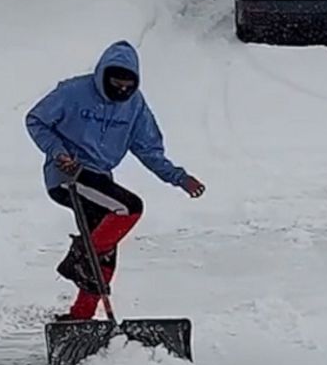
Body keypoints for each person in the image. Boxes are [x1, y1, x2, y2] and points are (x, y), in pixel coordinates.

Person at [25, 40, 205, 322]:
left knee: (106, 251)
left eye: (127, 86)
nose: (121, 90)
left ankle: (81, 316)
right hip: (68, 174)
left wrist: (179, 178)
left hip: (99, 178)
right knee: (129, 207)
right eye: (115, 83)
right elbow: (36, 120)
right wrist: (59, 153)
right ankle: (81, 258)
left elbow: (149, 150)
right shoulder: (73, 92)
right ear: (102, 75)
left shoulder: (135, 107)